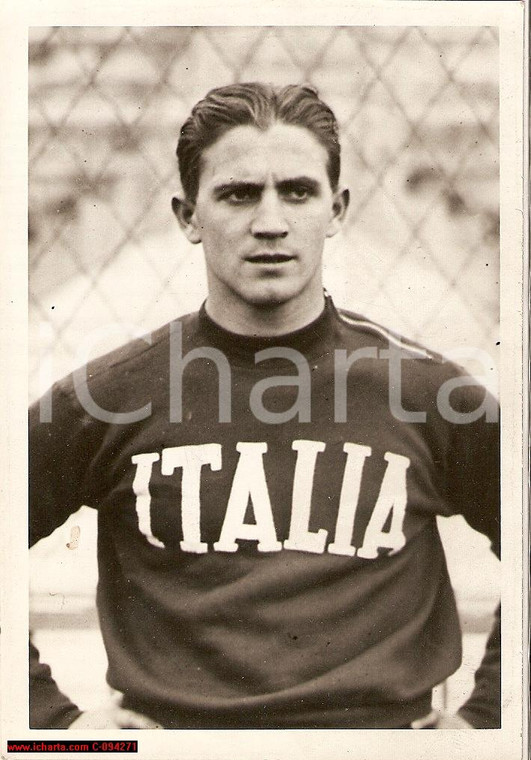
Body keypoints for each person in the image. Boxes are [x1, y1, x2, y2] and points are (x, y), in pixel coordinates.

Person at [29, 83, 500, 730]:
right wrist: (55, 728)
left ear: (335, 209)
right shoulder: (111, 396)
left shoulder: (423, 392)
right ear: (187, 215)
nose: (270, 221)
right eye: (237, 193)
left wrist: (487, 719)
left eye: (298, 192)